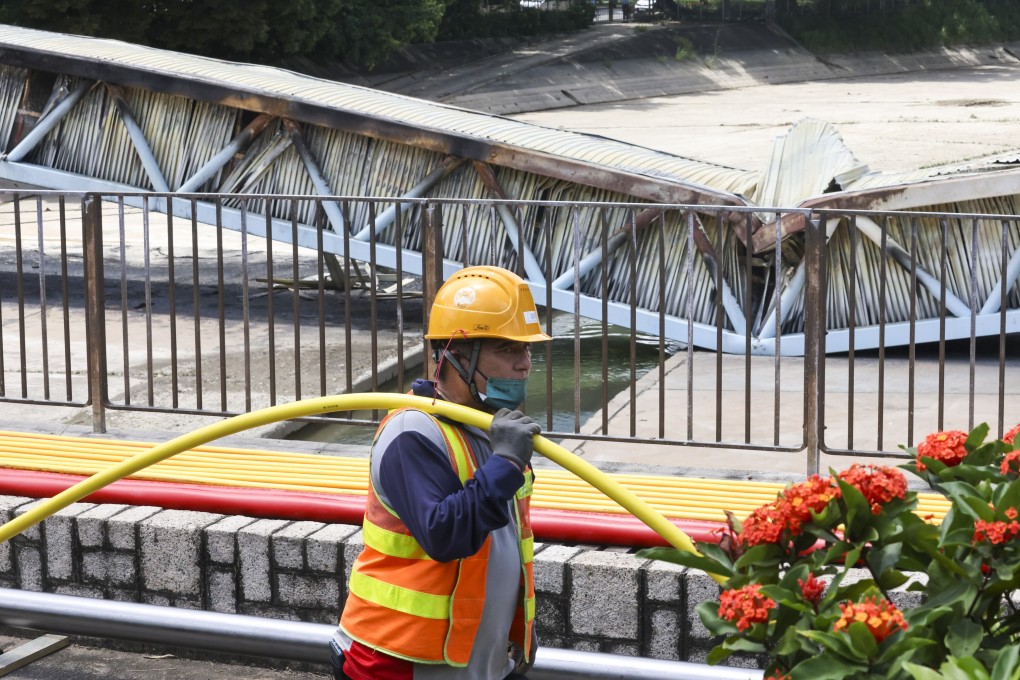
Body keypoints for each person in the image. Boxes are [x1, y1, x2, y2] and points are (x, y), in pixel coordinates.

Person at [331, 265, 551, 680]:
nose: (525, 364)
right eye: (507, 349)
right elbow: (445, 535)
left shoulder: (489, 430)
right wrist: (504, 465)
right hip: (398, 663)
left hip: (471, 664)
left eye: (527, 350)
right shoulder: (412, 432)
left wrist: (517, 628)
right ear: (456, 352)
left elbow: (504, 546)